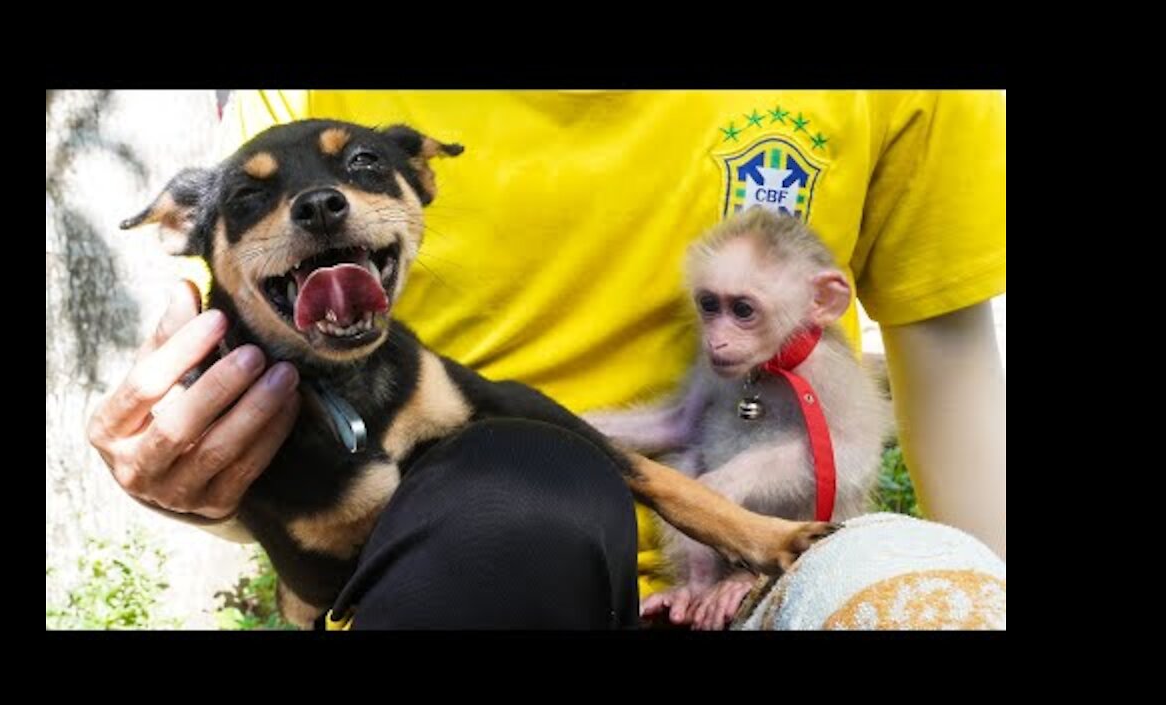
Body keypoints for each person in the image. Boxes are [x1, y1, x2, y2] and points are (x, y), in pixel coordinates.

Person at [87, 90, 1006, 629]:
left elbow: (954, 351)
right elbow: (270, 467)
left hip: (763, 570)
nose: (320, 203)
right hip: (473, 563)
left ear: (422, 178)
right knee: (525, 490)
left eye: (360, 174)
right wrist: (198, 480)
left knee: (936, 592)